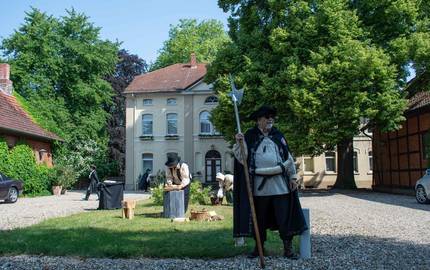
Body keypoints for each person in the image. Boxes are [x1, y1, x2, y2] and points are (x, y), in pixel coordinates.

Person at [233, 105, 308, 259]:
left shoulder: (278, 135)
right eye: (267, 117)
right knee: (259, 219)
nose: (270, 120)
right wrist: (239, 143)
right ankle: (259, 248)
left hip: (280, 186)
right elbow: (243, 159)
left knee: (284, 218)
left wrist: (293, 177)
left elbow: (288, 158)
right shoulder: (250, 136)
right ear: (259, 120)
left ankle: (287, 248)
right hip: (259, 188)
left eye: (272, 117)